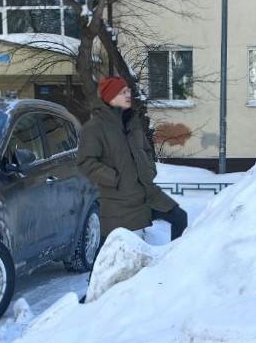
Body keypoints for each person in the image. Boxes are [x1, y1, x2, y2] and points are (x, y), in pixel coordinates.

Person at [77, 76, 188, 244]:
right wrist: (115, 178)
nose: (128, 94)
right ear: (111, 97)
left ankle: (172, 260)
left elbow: (146, 150)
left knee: (179, 217)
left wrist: (149, 169)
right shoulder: (94, 128)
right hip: (119, 201)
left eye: (128, 90)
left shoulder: (131, 121)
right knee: (112, 248)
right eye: (123, 92)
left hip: (148, 194)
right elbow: (85, 162)